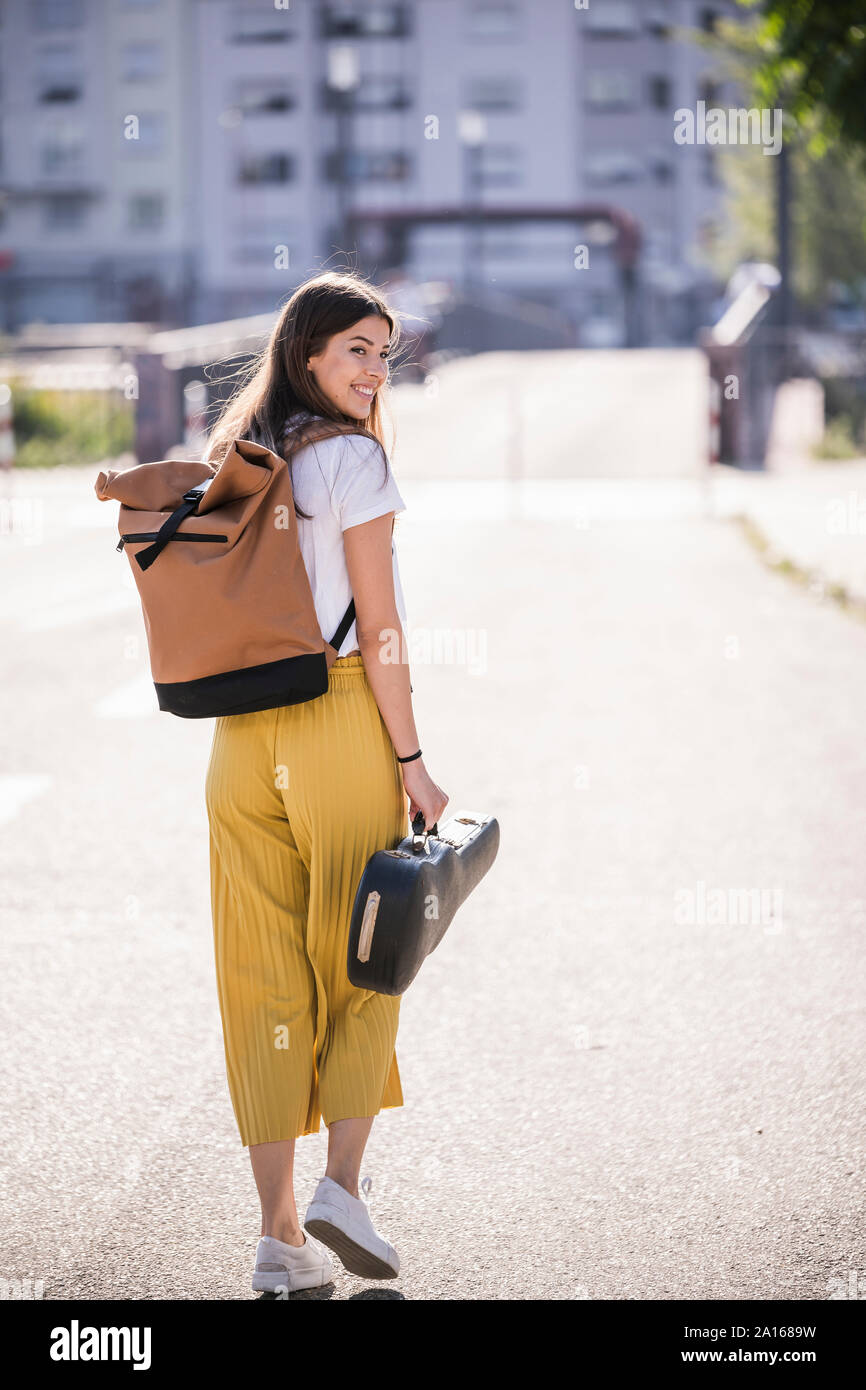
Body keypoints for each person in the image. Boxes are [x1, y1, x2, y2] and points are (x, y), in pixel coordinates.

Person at [203, 270, 448, 1294]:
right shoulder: (352, 459)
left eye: (383, 353)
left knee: (258, 981)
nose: (373, 369)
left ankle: (275, 1240)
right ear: (307, 352)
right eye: (356, 348)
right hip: (339, 719)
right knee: (363, 958)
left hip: (237, 742)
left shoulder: (236, 457)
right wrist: (411, 762)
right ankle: (336, 1189)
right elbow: (379, 628)